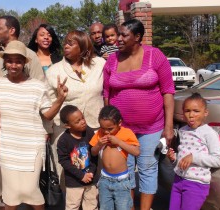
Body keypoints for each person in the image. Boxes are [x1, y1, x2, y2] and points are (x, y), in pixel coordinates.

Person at [0, 40, 68, 210]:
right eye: (9, 60)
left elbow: (48, 114)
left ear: (24, 63)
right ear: (4, 62)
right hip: (8, 145)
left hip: (32, 146)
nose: (13, 65)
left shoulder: (38, 86)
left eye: (18, 61)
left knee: (32, 191)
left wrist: (60, 99)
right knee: (11, 194)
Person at [103, 19, 175, 210]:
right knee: (123, 170)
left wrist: (168, 128)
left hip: (151, 128)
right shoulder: (112, 60)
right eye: (118, 34)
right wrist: (108, 126)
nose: (118, 39)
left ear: (137, 37)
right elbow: (106, 94)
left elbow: (168, 92)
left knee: (147, 169)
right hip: (122, 130)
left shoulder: (155, 56)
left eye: (124, 35)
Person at [0, 15, 44, 209]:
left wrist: (44, 128)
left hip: (26, 133)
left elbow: (41, 93)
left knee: (31, 186)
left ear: (12, 30)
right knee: (0, 179)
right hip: (0, 130)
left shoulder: (30, 56)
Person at [45, 30, 105, 179]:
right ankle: (71, 202)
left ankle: (93, 202)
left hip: (95, 127)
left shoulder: (99, 65)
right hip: (66, 133)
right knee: (68, 173)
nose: (65, 45)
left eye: (71, 43)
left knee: (95, 169)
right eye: (65, 42)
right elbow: (47, 108)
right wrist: (60, 98)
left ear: (83, 47)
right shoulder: (54, 71)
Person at [167, 93, 220, 210]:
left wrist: (194, 157)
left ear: (205, 113)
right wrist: (174, 159)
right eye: (187, 111)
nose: (191, 115)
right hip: (178, 180)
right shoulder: (183, 131)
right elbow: (183, 156)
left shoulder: (209, 133)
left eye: (196, 111)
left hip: (196, 184)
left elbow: (218, 160)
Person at [90, 105, 140, 210]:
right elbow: (93, 152)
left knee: (123, 207)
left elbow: (136, 152)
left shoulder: (126, 133)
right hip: (105, 180)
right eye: (103, 128)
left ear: (119, 123)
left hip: (122, 181)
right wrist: (98, 144)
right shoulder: (100, 134)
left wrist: (119, 142)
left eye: (110, 129)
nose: (106, 132)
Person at [57, 105, 98, 210]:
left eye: (82, 118)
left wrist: (91, 172)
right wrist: (81, 176)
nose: (83, 122)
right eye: (77, 121)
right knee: (72, 206)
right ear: (67, 125)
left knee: (92, 205)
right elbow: (64, 161)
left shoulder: (89, 132)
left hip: (90, 178)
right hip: (74, 181)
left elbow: (94, 155)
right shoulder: (63, 141)